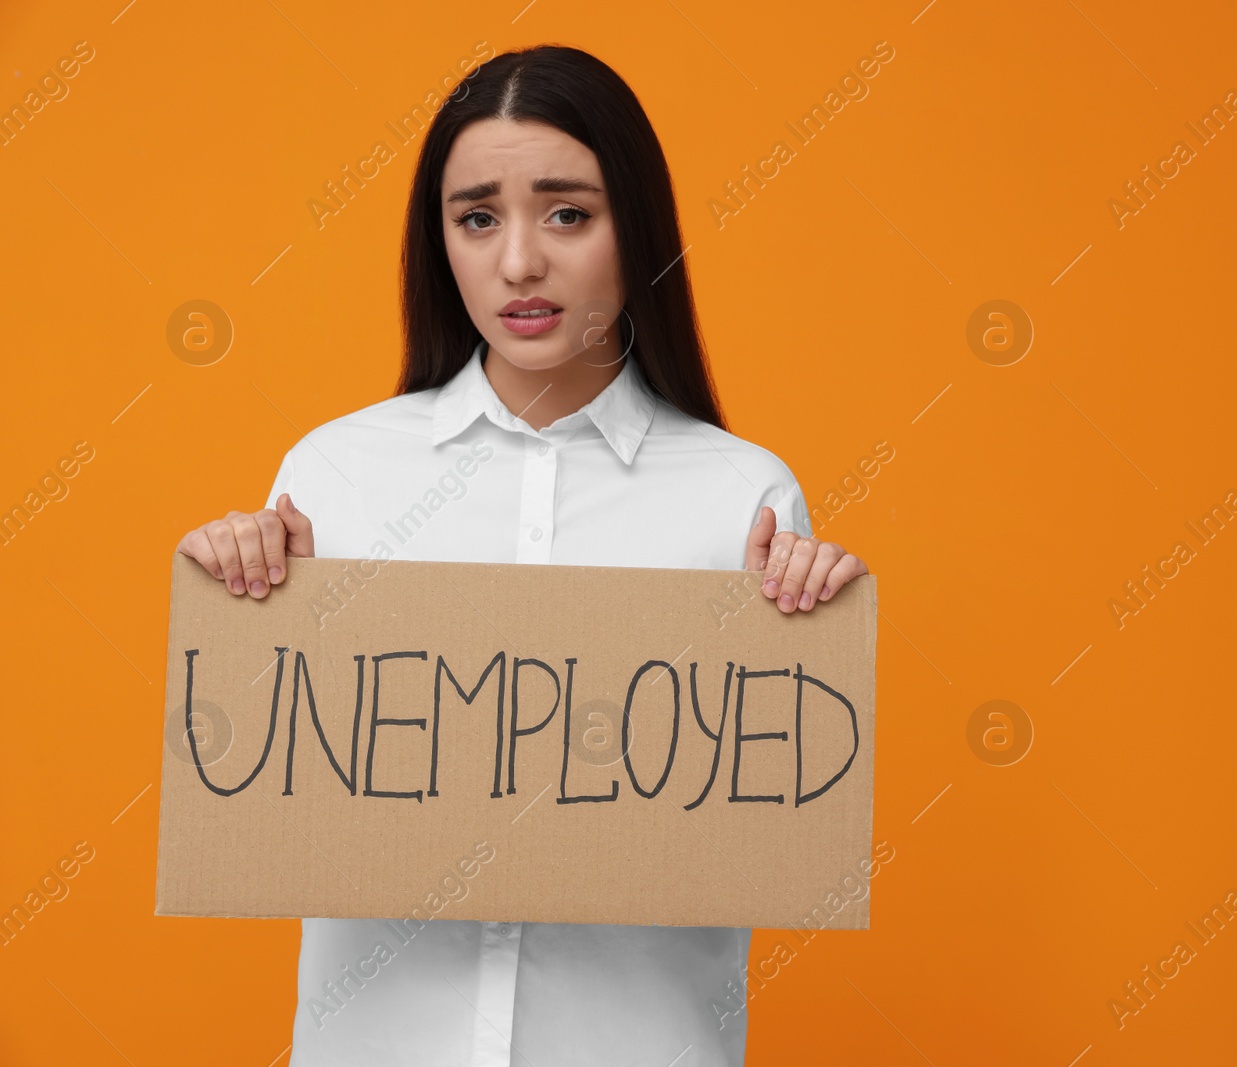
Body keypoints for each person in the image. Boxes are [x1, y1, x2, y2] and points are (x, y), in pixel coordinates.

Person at [174, 44, 870, 1067]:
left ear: (635, 225)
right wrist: (237, 589)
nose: (517, 264)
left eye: (568, 213)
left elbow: (756, 817)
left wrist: (814, 616)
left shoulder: (742, 497)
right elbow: (281, 778)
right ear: (439, 239)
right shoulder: (334, 474)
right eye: (477, 218)